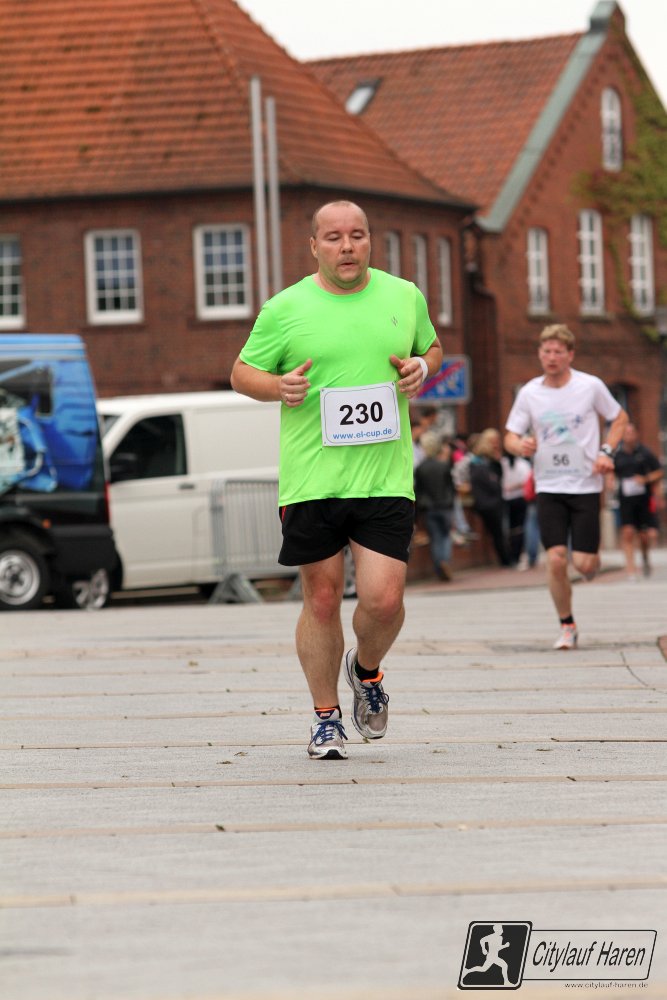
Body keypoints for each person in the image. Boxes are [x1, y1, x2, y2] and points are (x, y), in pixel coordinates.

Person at [230, 200, 443, 759]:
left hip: (384, 477)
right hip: (313, 479)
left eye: (356, 235)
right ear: (314, 246)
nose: (346, 246)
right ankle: (325, 719)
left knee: (385, 599)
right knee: (322, 599)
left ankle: (366, 671)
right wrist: (277, 387)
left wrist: (423, 367)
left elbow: (431, 347)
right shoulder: (285, 308)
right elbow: (241, 373)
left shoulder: (403, 296)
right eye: (333, 237)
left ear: (370, 240)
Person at [505, 324, 628, 650]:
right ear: (539, 354)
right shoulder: (530, 392)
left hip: (585, 484)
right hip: (549, 485)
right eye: (546, 351)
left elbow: (619, 418)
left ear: (570, 355)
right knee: (556, 559)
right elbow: (510, 436)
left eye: (558, 351)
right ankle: (567, 624)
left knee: (584, 565)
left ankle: (592, 561)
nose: (552, 357)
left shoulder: (590, 386)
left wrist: (606, 452)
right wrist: (520, 445)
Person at [613, 422, 663, 580]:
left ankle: (645, 557)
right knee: (627, 532)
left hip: (643, 499)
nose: (629, 436)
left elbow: (659, 471)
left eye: (631, 432)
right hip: (625, 500)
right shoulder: (617, 455)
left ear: (636, 434)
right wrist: (609, 482)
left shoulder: (645, 452)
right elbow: (611, 473)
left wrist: (645, 479)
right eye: (626, 433)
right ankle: (631, 570)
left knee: (644, 536)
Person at [414, 430, 456, 580]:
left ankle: (440, 564)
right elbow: (451, 487)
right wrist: (450, 502)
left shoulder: (420, 468)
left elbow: (418, 491)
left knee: (436, 538)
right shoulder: (443, 466)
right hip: (445, 506)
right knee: (445, 536)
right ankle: (445, 562)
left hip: (429, 508)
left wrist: (418, 512)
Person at [469, 428, 512, 567]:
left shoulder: (485, 462)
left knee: (498, 532)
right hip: (491, 502)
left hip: (489, 501)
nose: (496, 444)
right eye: (492, 441)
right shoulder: (480, 463)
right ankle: (506, 560)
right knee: (499, 532)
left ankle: (506, 559)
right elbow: (494, 483)